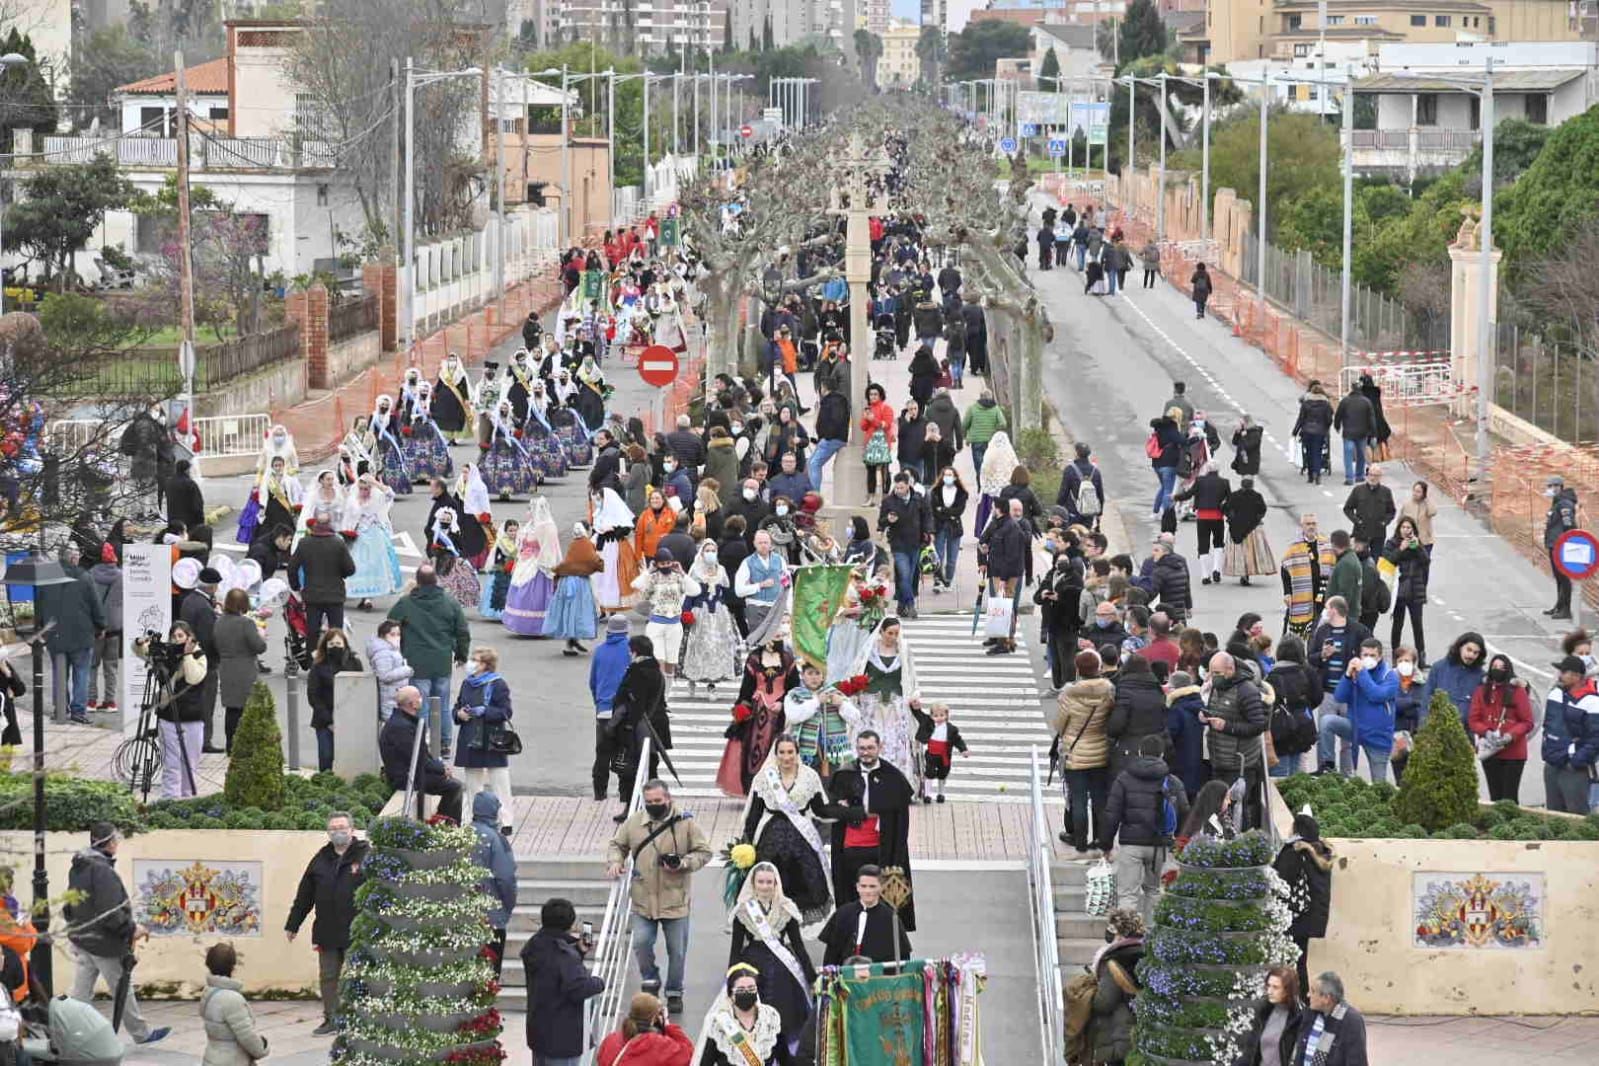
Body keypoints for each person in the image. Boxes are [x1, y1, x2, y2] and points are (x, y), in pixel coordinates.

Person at [605, 780, 712, 1013]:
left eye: (658, 801)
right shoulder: (634, 823)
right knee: (641, 942)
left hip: (675, 900)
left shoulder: (686, 823)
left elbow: (704, 852)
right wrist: (616, 861)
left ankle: (674, 991)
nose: (654, 805)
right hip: (643, 898)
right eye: (649, 802)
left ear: (668, 798)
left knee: (678, 950)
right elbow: (617, 845)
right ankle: (650, 979)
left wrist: (683, 863)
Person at [64, 822, 170, 1045]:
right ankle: (141, 1034)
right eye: (116, 840)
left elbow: (71, 904)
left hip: (84, 938)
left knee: (81, 994)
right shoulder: (102, 871)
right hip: (104, 944)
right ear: (110, 843)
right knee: (122, 989)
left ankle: (69, 1031)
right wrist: (132, 929)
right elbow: (110, 913)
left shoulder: (79, 866)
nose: (118, 843)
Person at [285, 811, 368, 1035]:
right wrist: (293, 924)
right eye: (333, 829)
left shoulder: (366, 856)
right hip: (327, 930)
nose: (338, 832)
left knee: (357, 976)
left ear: (352, 830)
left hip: (357, 931)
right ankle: (331, 1019)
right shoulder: (320, 859)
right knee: (328, 977)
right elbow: (305, 895)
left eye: (342, 827)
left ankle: (357, 1020)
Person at [825, 731, 916, 925]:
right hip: (851, 848)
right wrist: (852, 811)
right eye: (861, 748)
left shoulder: (893, 777)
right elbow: (831, 810)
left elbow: (901, 821)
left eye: (870, 748)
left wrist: (897, 858)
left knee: (882, 902)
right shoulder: (844, 774)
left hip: (881, 849)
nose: (865, 753)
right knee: (851, 899)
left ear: (879, 748)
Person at [726, 865, 815, 1054]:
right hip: (752, 963)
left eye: (769, 882)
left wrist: (811, 977)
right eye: (761, 882)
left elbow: (798, 946)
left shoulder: (786, 908)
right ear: (753, 883)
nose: (765, 886)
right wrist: (731, 979)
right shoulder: (743, 911)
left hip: (783, 965)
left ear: (776, 884)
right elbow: (735, 950)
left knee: (786, 1018)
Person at [1098, 734, 1188, 922]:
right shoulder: (1172, 781)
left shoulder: (1124, 779)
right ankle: (1150, 938)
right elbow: (1184, 812)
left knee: (1128, 895)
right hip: (1159, 845)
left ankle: (1126, 937)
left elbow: (1111, 814)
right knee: (1154, 891)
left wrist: (1106, 845)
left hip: (1131, 843)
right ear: (1162, 755)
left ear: (1139, 753)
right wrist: (1178, 844)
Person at [743, 735, 833, 922]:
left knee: (803, 889)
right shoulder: (764, 777)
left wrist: (846, 811)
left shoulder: (809, 776)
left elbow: (820, 809)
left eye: (790, 752)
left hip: (802, 841)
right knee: (770, 887)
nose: (786, 757)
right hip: (771, 841)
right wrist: (747, 844)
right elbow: (754, 815)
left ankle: (794, 933)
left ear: (797, 753)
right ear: (775, 755)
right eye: (782, 752)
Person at [387, 564, 472, 755]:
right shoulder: (449, 602)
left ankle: (423, 742)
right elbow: (462, 631)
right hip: (442, 661)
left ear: (417, 581)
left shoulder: (407, 603)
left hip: (417, 661)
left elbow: (391, 622)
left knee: (420, 703)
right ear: (436, 580)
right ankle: (444, 742)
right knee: (441, 703)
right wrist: (461, 654)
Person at [523, 897, 605, 1066]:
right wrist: (599, 982)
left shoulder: (534, 945)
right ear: (570, 924)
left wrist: (577, 951)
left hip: (539, 1032)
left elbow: (553, 971)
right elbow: (577, 988)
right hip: (562, 1038)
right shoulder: (564, 955)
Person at [135, 620, 207, 798]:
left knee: (189, 763)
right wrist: (139, 642)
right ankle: (170, 798)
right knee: (171, 762)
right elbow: (142, 652)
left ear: (189, 637)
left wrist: (187, 655)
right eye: (174, 636)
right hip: (168, 716)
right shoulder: (166, 654)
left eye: (181, 636)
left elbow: (193, 678)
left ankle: (187, 797)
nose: (177, 640)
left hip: (192, 717)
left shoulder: (199, 655)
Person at [1054, 650, 1114, 851]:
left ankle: (1079, 841)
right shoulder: (1108, 691)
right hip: (1100, 751)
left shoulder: (1069, 694)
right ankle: (1100, 840)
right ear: (1098, 668)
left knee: (1078, 798)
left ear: (1078, 669)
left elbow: (1059, 726)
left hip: (1076, 753)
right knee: (1099, 799)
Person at [37, 544, 104, 725]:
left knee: (59, 673)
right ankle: (78, 711)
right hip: (81, 634)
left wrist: (41, 628)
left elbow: (39, 605)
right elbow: (95, 605)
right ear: (74, 558)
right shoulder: (84, 577)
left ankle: (60, 709)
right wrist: (101, 625)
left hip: (55, 634)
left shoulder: (47, 576)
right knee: (82, 673)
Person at [1202, 652, 1268, 829]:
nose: (1212, 677)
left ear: (1230, 669)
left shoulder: (1247, 691)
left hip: (1239, 765)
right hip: (1219, 760)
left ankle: (1242, 848)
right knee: (1218, 811)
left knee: (1237, 812)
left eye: (1216, 673)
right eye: (1211, 672)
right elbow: (1214, 709)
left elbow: (1258, 726)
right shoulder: (1217, 687)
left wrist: (1227, 727)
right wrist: (1204, 715)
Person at [378, 685, 464, 822]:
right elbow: (416, 757)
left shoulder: (404, 721)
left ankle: (443, 821)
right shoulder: (401, 727)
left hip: (414, 772)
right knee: (454, 787)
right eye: (419, 697)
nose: (421, 699)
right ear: (412, 704)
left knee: (450, 783)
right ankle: (447, 826)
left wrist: (440, 768)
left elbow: (421, 754)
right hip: (407, 778)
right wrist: (441, 769)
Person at [1321, 637, 1399, 782]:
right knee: (1327, 721)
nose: (1368, 659)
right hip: (1355, 728)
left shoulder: (1390, 676)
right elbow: (1339, 696)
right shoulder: (1356, 672)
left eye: (1372, 655)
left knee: (1379, 785)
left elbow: (1376, 695)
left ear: (1380, 657)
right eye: (1365, 655)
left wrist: (1362, 673)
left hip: (1377, 736)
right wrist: (1347, 675)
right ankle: (1328, 765)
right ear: (1360, 655)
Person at [454, 646, 515, 828]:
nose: (471, 663)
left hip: (491, 739)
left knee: (500, 781)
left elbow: (506, 712)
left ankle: (506, 821)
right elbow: (458, 705)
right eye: (472, 659)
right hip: (470, 737)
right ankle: (476, 818)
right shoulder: (467, 683)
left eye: (476, 660)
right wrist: (459, 714)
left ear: (486, 665)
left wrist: (485, 711)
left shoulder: (498, 684)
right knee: (473, 782)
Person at [1468, 654, 1534, 803]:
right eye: (1494, 667)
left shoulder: (1517, 691)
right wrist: (1486, 732)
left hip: (1513, 753)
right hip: (1490, 751)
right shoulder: (1481, 691)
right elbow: (1474, 720)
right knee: (1495, 796)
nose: (1497, 670)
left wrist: (1510, 735)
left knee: (1509, 797)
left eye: (1501, 667)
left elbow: (1527, 722)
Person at [289, 505, 356, 651]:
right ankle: (335, 661)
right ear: (330, 524)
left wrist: (296, 587)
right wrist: (341, 574)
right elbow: (350, 569)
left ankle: (313, 660)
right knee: (336, 631)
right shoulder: (338, 543)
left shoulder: (305, 543)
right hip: (335, 593)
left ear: (315, 524)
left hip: (312, 594)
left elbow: (292, 567)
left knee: (312, 631)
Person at [818, 864, 913, 967]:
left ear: (880, 887)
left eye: (872, 886)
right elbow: (831, 954)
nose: (867, 891)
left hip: (878, 978)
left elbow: (903, 957)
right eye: (863, 886)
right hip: (846, 976)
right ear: (857, 887)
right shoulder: (843, 913)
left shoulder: (889, 917)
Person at [1541, 655, 1599, 814]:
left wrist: (1575, 761)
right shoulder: (1555, 693)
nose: (1559, 675)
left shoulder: (1593, 702)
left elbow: (1595, 740)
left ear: (1576, 676)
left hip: (1573, 769)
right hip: (1552, 765)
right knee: (1553, 815)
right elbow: (1547, 725)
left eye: (1563, 672)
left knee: (1577, 817)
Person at [1087, 908, 1145, 1066]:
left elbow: (1104, 1002)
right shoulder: (1147, 952)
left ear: (1118, 932)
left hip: (1121, 1034)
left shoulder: (1115, 960)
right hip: (1145, 1029)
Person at [470, 790, 518, 976]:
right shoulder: (495, 839)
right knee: (490, 975)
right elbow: (506, 878)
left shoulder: (462, 834)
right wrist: (508, 906)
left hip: (467, 917)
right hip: (492, 918)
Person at [212, 589, 266, 754]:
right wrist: (261, 635)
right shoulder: (246, 623)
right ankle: (245, 746)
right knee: (246, 708)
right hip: (245, 669)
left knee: (231, 709)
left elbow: (215, 644)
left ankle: (230, 744)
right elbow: (259, 646)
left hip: (226, 668)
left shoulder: (219, 622)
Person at [198, 942, 269, 1064]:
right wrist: (262, 1047)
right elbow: (246, 1036)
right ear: (232, 966)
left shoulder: (208, 993)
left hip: (212, 1058)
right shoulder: (231, 999)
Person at [978, 496, 1032, 651]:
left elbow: (1011, 556)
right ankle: (997, 636)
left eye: (994, 506)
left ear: (999, 509)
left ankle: (1006, 641)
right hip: (995, 570)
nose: (992, 509)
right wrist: (982, 557)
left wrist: (1003, 578)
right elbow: (983, 539)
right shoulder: (996, 523)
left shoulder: (1011, 527)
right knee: (997, 605)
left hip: (1007, 574)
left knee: (1005, 606)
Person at [589, 615, 634, 801]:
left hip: (604, 709)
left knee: (602, 752)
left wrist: (598, 702)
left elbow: (593, 681)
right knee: (625, 751)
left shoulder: (599, 651)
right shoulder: (631, 650)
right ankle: (624, 794)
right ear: (626, 631)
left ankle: (600, 792)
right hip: (624, 710)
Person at [1290, 973, 1368, 1066]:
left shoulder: (1351, 1021)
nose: (1308, 995)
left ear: (1326, 998)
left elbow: (1357, 1061)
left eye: (1313, 991)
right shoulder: (1309, 1014)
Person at [595, 993, 694, 1066]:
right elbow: (688, 1055)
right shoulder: (658, 1044)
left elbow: (600, 1060)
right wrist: (667, 1024)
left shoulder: (611, 1040)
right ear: (654, 1018)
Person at [307, 629, 356, 772]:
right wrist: (329, 721)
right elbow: (314, 695)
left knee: (349, 760)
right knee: (326, 756)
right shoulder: (318, 666)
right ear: (325, 646)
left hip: (349, 721)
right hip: (324, 721)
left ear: (345, 644)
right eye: (332, 643)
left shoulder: (354, 663)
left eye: (338, 643)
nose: (335, 646)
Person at [1384, 517, 1430, 666]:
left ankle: (1421, 658)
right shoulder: (1392, 543)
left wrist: (1418, 548)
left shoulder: (1417, 543)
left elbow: (1426, 561)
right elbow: (1388, 561)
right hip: (1399, 590)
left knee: (1418, 625)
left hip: (1415, 589)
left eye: (1409, 527)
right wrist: (1400, 549)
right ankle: (1395, 657)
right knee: (1397, 624)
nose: (1406, 530)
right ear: (1399, 529)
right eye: (1403, 527)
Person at [1280, 514, 1335, 637]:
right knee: (1301, 630)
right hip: (1302, 594)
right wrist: (1287, 593)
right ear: (1302, 526)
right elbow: (1285, 569)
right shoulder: (1294, 547)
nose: (1311, 527)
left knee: (1320, 628)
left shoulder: (1326, 544)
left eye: (1313, 524)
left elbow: (1333, 567)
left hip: (1322, 593)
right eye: (1308, 524)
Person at [1419, 630, 1485, 728]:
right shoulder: (1439, 668)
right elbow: (1426, 698)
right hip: (1438, 728)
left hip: (1465, 732)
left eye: (1475, 653)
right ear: (1460, 647)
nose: (1471, 655)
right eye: (1469, 650)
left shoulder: (1480, 676)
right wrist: (1424, 726)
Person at [1239, 966, 1304, 1066]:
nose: (1269, 991)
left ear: (1288, 990)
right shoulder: (1264, 1012)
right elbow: (1250, 1052)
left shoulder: (1299, 1017)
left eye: (1275, 987)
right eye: (1268, 986)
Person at [86, 542, 123, 716]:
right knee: (111, 667)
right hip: (115, 628)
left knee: (91, 666)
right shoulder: (121, 576)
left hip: (95, 628)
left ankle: (91, 701)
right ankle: (110, 701)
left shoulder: (91, 574)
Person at [1222, 476, 1273, 588]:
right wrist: (1256, 519)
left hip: (1237, 528)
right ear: (1252, 485)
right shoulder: (1257, 496)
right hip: (1252, 529)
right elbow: (1262, 510)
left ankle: (1242, 572)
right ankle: (1248, 572)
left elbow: (1225, 508)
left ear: (1241, 485)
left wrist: (1232, 519)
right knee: (1251, 552)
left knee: (1240, 552)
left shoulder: (1234, 496)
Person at [1543, 474, 1579, 619]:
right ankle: (1559, 606)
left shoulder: (1564, 503)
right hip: (1554, 542)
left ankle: (1566, 609)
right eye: (1549, 486)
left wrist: (1565, 543)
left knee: (1563, 577)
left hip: (1560, 544)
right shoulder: (1557, 502)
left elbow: (1568, 524)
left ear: (1560, 487)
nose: (1551, 489)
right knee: (1558, 577)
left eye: (1553, 486)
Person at [928, 466, 969, 592]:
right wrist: (948, 513)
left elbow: (958, 511)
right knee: (938, 555)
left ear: (955, 477)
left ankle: (948, 580)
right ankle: (938, 580)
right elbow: (935, 510)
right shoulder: (935, 491)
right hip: (939, 527)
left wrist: (944, 510)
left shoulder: (962, 493)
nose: (948, 477)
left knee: (952, 558)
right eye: (945, 475)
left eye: (950, 475)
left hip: (954, 527)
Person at [1342, 465, 1395, 551]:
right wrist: (1357, 521)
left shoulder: (1386, 492)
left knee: (1376, 560)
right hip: (1361, 533)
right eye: (1370, 475)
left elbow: (1391, 511)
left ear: (1380, 477)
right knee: (1360, 559)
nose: (1372, 478)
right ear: (1367, 475)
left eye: (1376, 475)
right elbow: (1347, 508)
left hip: (1378, 533)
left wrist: (1384, 523)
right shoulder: (1358, 490)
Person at [1291, 382, 1335, 486]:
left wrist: (1295, 431)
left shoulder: (1306, 404)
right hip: (1320, 431)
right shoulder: (1325, 404)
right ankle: (1318, 474)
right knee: (1317, 453)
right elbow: (1329, 419)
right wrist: (1326, 427)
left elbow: (1301, 418)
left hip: (1307, 431)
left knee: (1309, 453)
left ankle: (1310, 475)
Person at [1332, 382, 1376, 485]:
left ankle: (1349, 477)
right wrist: (1373, 434)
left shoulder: (1345, 401)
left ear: (1352, 388)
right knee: (1361, 454)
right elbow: (1372, 419)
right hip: (1362, 433)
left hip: (1348, 433)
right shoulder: (1367, 402)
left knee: (1348, 455)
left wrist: (1337, 426)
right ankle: (1359, 475)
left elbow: (1338, 415)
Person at [961, 389, 1007, 480]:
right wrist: (994, 429)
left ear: (980, 397)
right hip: (991, 442)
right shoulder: (995, 409)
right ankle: (989, 484)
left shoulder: (972, 408)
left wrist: (965, 436)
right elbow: (1003, 423)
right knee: (990, 466)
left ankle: (980, 487)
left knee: (979, 467)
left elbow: (964, 424)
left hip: (976, 441)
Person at [1399, 480, 1438, 557]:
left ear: (1424, 493)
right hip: (1410, 540)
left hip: (1425, 541)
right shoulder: (1407, 505)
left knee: (1423, 564)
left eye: (1418, 492)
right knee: (1410, 564)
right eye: (1414, 491)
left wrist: (1427, 499)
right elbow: (1400, 521)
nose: (1415, 493)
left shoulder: (1427, 504)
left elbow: (1433, 512)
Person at [165, 458, 206, 531]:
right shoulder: (190, 484)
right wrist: (201, 521)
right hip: (190, 523)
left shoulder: (169, 483)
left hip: (173, 522)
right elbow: (197, 504)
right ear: (186, 470)